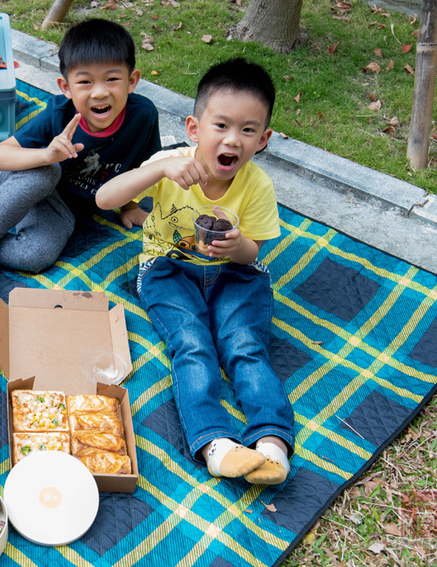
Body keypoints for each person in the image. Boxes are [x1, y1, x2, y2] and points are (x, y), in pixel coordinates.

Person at [95, 58, 294, 485]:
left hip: (234, 274)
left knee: (244, 344)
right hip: (169, 269)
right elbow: (105, 199)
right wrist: (159, 169)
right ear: (194, 128)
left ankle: (273, 443)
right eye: (221, 125)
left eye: (247, 130)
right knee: (192, 343)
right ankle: (215, 443)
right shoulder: (172, 164)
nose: (232, 140)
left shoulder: (257, 185)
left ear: (263, 139)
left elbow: (252, 251)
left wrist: (239, 245)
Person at [0, 18, 161, 296]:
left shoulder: (143, 116)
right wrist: (46, 154)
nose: (100, 92)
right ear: (65, 87)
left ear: (132, 81)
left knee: (34, 257)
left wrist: (130, 205)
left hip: (62, 209)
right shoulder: (59, 114)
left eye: (112, 79)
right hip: (21, 180)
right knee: (49, 170)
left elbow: (142, 165)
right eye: (85, 81)